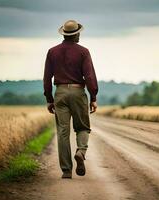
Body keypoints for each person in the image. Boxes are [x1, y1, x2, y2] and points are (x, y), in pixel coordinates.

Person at [43, 20, 98, 178]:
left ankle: (66, 171)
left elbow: (47, 78)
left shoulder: (52, 52)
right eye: (78, 33)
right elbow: (89, 76)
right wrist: (93, 97)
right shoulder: (83, 52)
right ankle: (81, 151)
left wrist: (49, 98)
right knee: (82, 127)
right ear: (76, 34)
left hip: (59, 93)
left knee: (62, 132)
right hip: (78, 91)